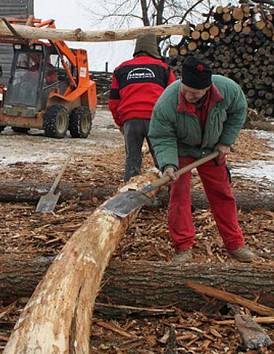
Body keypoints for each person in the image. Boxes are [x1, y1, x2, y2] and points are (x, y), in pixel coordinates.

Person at [148, 56, 255, 263]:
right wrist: (169, 164)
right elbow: (162, 136)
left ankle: (235, 244)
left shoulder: (227, 90)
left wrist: (226, 141)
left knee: (222, 193)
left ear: (207, 88)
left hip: (212, 148)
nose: (189, 95)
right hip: (181, 148)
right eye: (185, 90)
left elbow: (239, 111)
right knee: (179, 195)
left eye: (195, 93)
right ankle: (183, 247)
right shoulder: (167, 102)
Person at [109, 34, 177, 181]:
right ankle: (168, 189)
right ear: (154, 49)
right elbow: (174, 97)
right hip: (156, 120)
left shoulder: (121, 69)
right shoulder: (164, 68)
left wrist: (120, 123)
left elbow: (113, 101)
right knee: (162, 158)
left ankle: (130, 193)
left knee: (132, 160)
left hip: (131, 119)